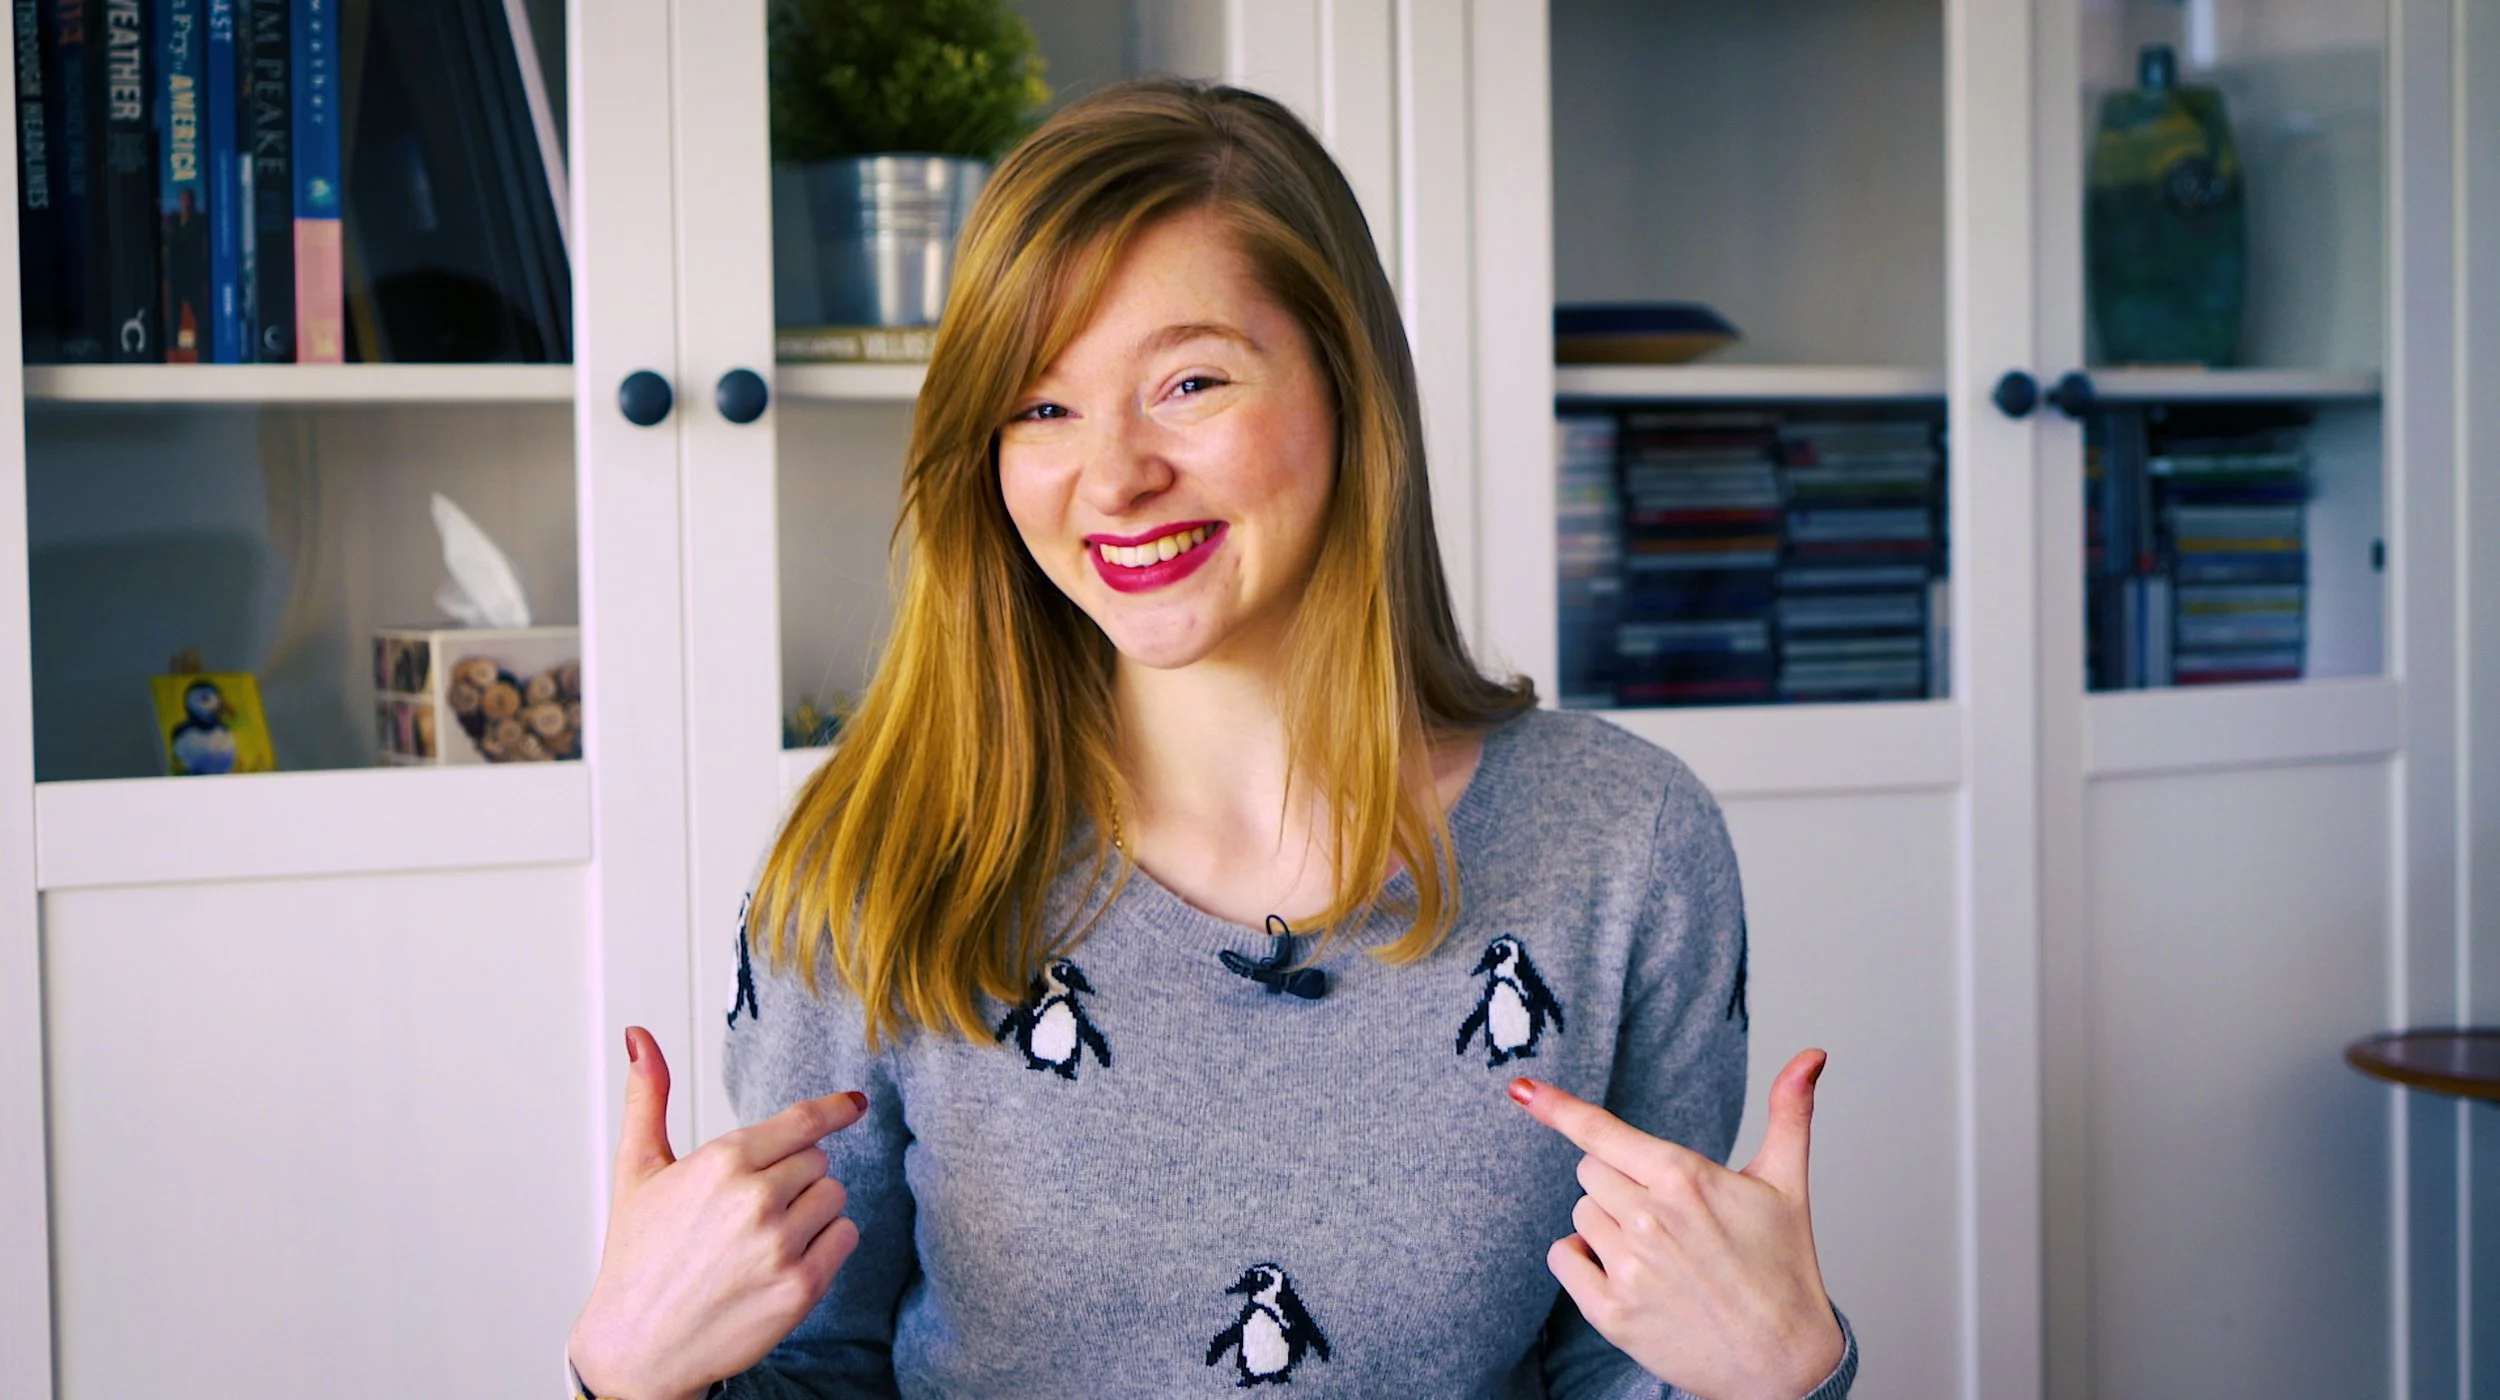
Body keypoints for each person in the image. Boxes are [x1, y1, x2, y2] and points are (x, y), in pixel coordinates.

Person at [566, 79, 1856, 1400]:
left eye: (1189, 382)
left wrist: (1783, 1378)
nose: (1114, 477)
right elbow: (814, 1371)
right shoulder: (877, 853)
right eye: (1042, 408)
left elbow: (1625, 1366)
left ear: (1349, 390)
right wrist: (628, 1380)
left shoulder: (1623, 840)